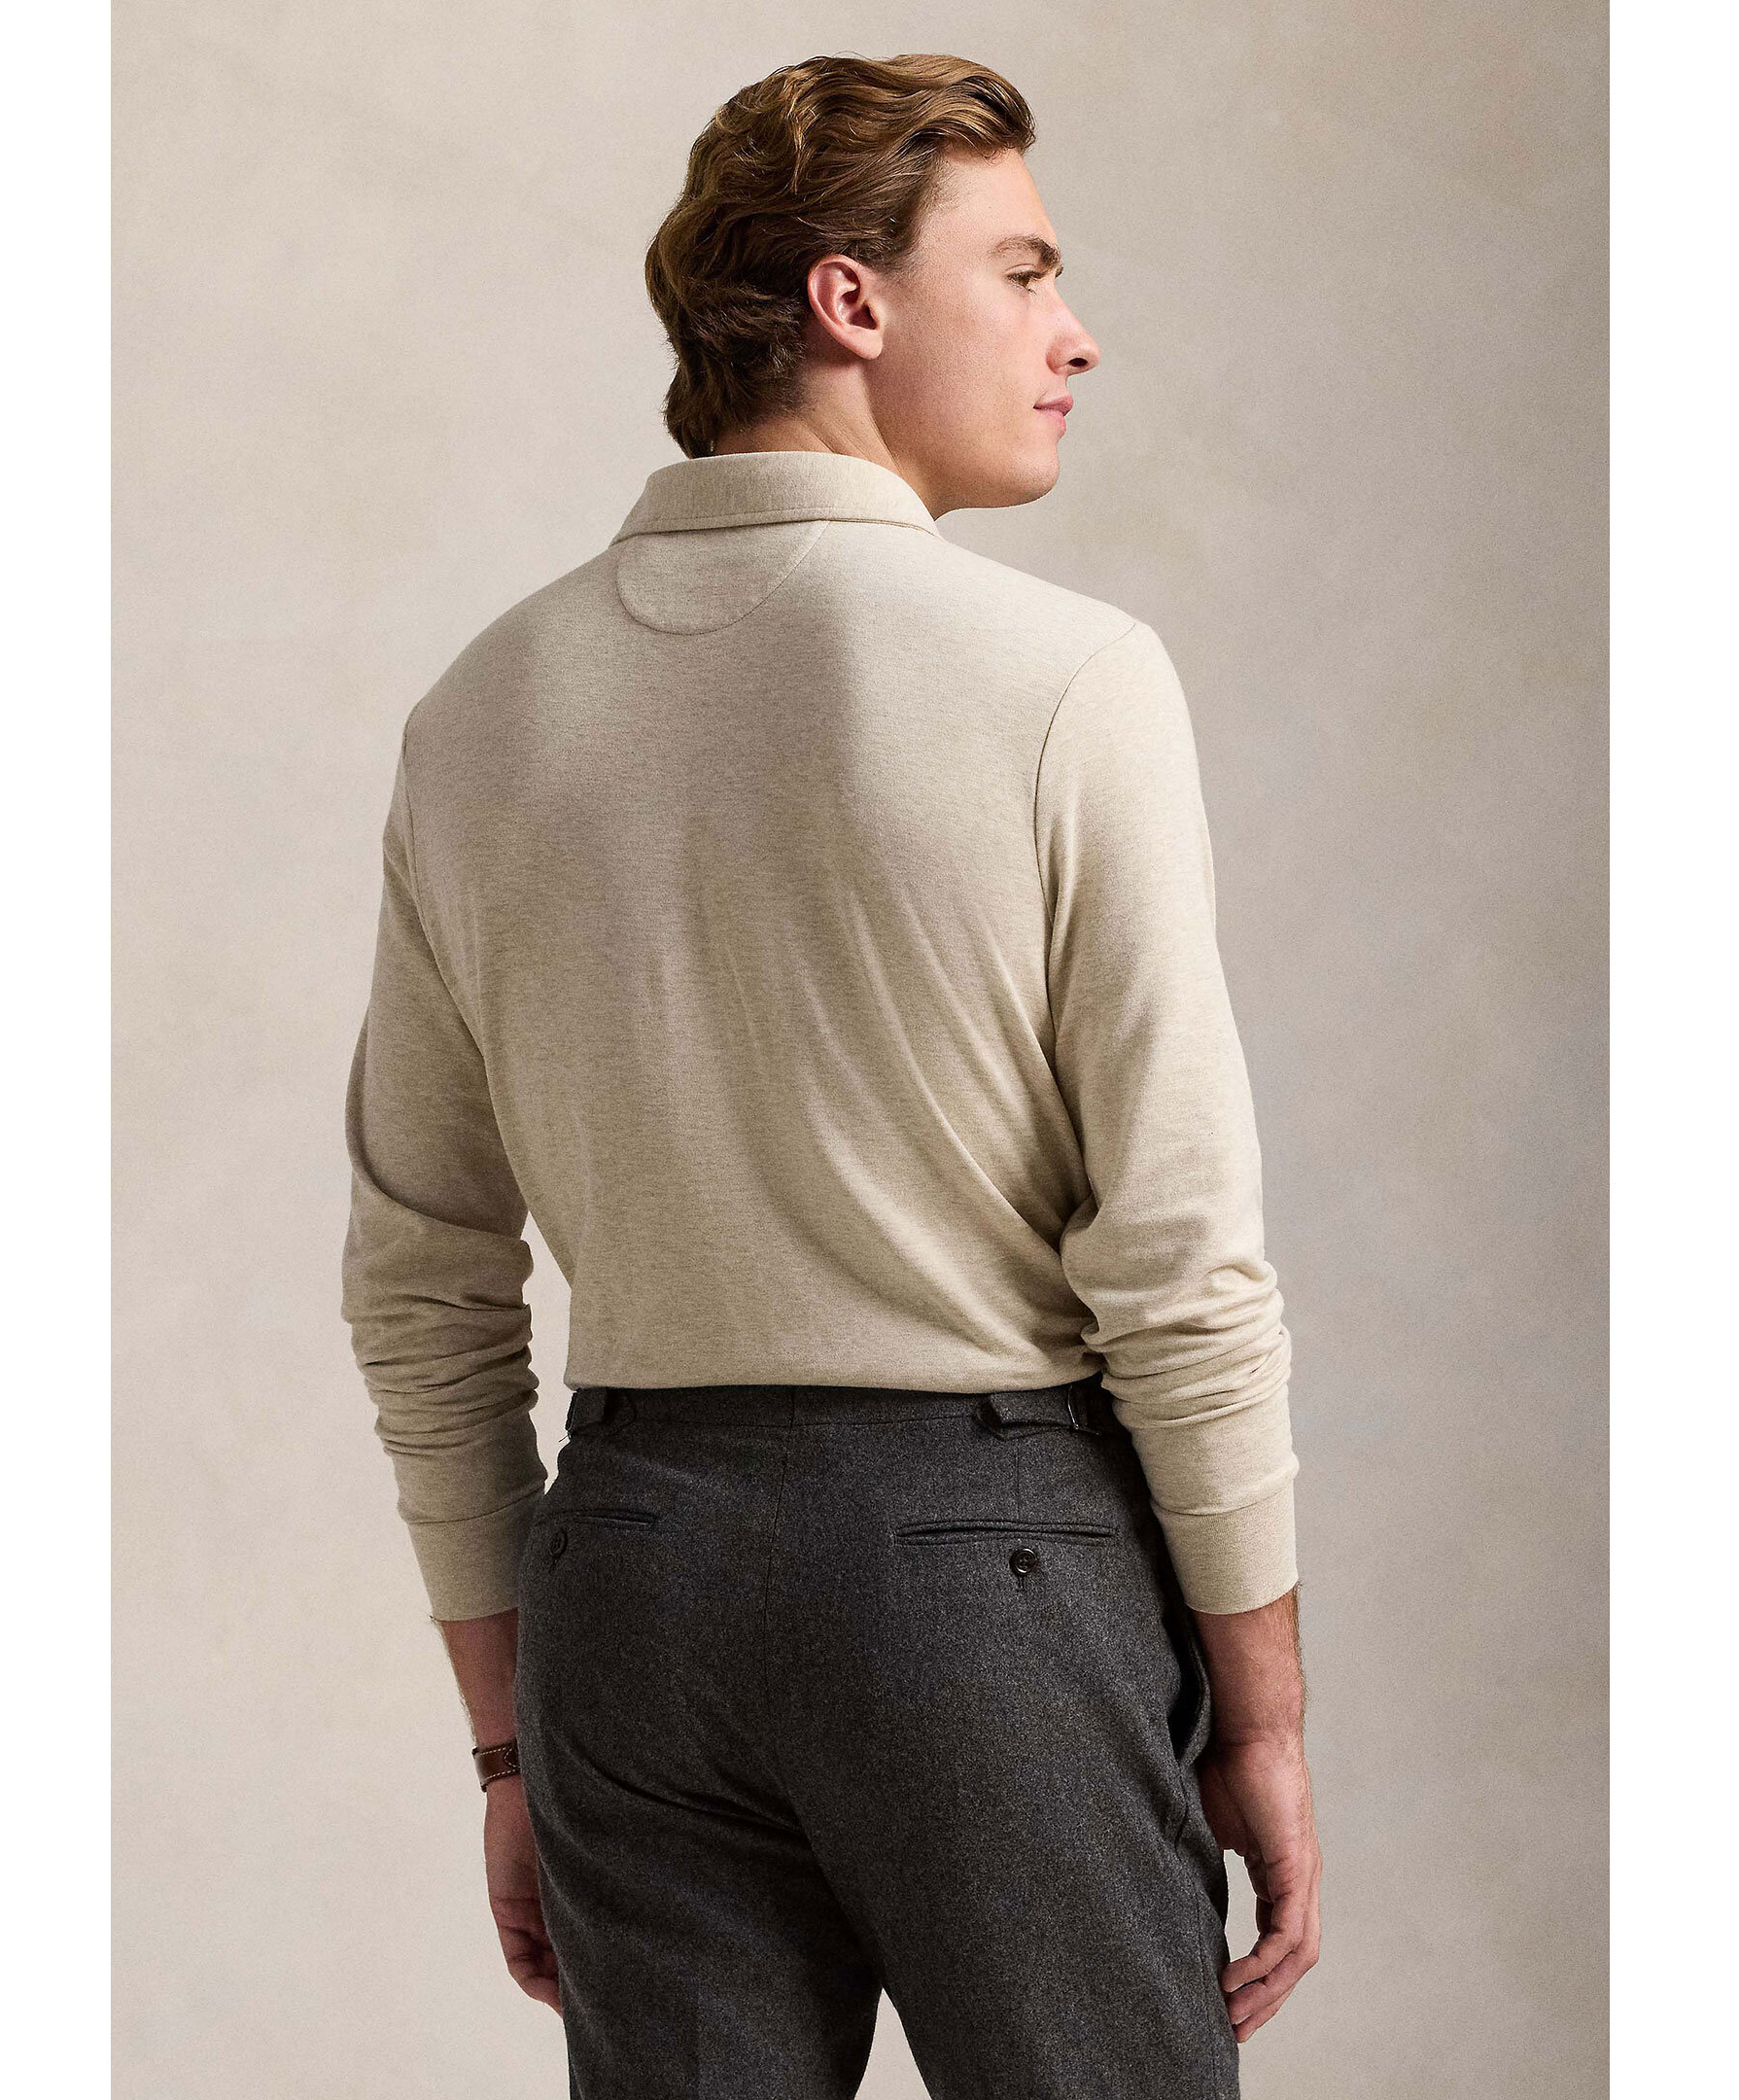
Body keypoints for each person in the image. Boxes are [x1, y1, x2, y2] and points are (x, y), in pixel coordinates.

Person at [341, 50, 1322, 2099]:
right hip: (983, 1575)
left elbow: (422, 1280)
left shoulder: (481, 711)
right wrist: (1264, 1718)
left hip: (627, 1590)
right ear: (849, 302)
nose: (1075, 333)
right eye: (1023, 270)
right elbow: (1177, 1259)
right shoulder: (1066, 684)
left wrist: (514, 1740)